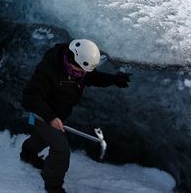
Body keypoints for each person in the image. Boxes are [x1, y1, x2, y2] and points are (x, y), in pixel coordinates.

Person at [20, 39, 131, 193]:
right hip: (41, 113)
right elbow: (30, 97)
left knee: (45, 137)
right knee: (61, 149)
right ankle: (53, 186)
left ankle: (28, 153)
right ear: (72, 60)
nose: (83, 74)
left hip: (58, 113)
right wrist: (51, 117)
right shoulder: (49, 71)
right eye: (81, 70)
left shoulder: (77, 67)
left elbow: (92, 77)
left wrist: (113, 79)